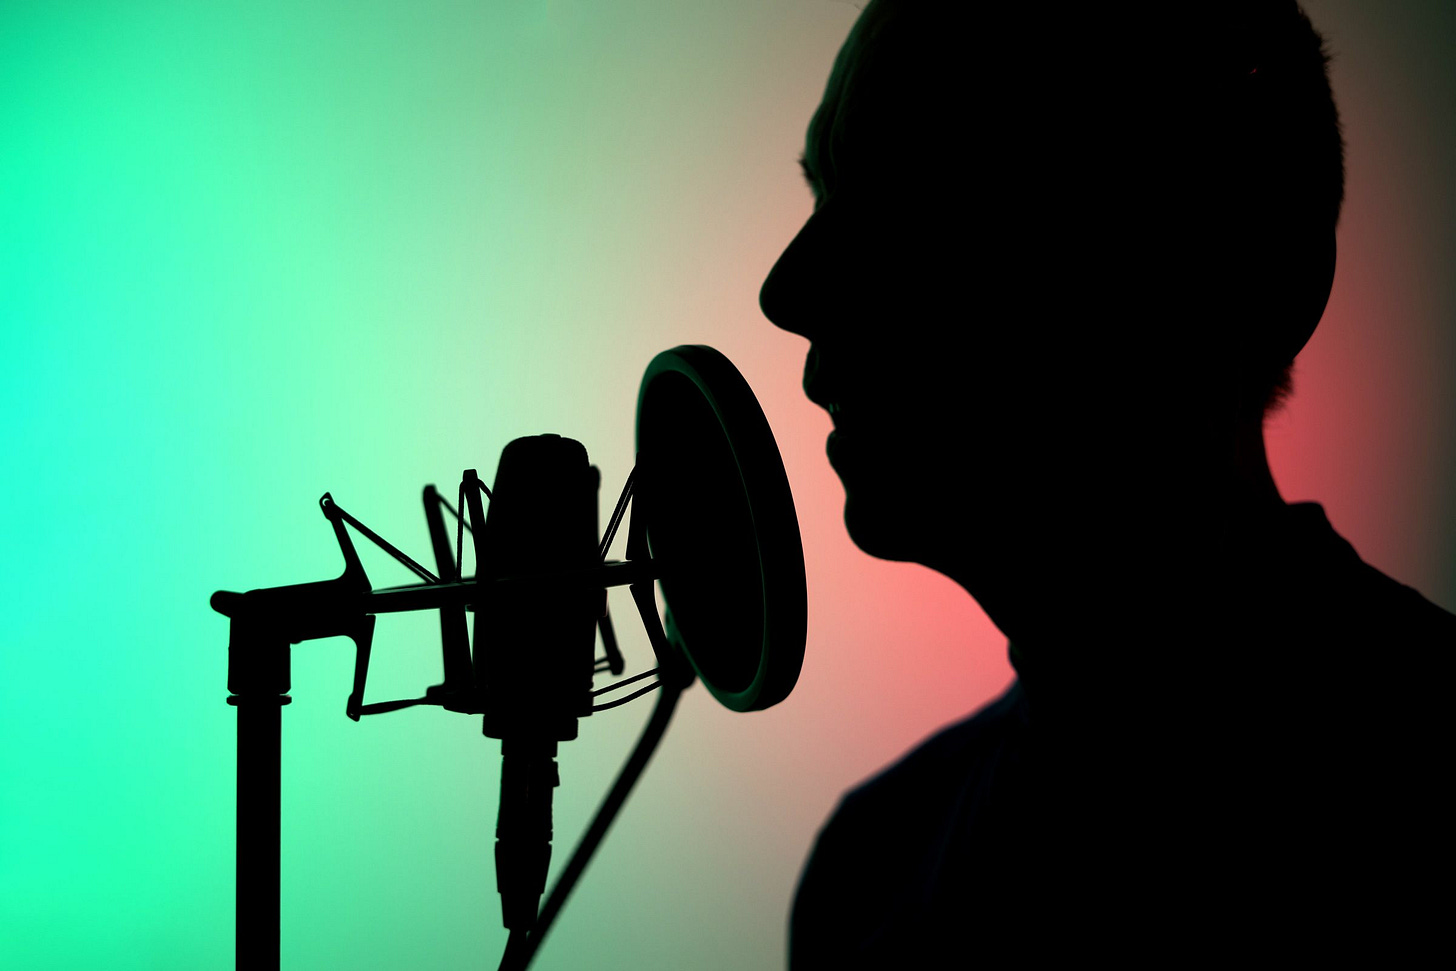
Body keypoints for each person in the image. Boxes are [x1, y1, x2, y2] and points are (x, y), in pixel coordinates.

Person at [758, 1, 1454, 964]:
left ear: (1246, 272)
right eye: (824, 193)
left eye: (916, 188)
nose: (786, 290)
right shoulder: (866, 868)